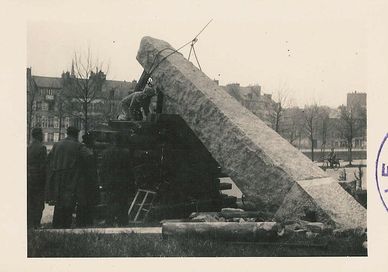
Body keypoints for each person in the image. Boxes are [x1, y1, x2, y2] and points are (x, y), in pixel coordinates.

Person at [46, 126, 89, 228]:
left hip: (58, 179)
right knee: (69, 203)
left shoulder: (57, 145)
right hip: (72, 178)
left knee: (59, 203)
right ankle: (65, 226)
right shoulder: (79, 146)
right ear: (76, 134)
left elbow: (49, 160)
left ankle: (56, 226)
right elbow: (89, 158)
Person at [100, 133, 134, 226]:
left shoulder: (105, 153)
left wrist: (102, 181)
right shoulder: (125, 153)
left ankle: (109, 221)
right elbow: (129, 170)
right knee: (123, 203)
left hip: (110, 182)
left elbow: (102, 169)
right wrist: (131, 182)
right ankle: (122, 222)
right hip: (122, 182)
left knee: (110, 202)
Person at [75, 132, 99, 227]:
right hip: (86, 180)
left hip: (83, 179)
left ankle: (82, 221)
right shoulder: (87, 152)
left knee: (84, 202)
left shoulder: (83, 150)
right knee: (86, 202)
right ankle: (85, 221)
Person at [27, 128, 47, 229]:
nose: (43, 136)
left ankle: (29, 224)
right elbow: (43, 166)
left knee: (30, 202)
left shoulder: (28, 147)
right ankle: (36, 224)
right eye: (42, 134)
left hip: (29, 179)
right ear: (39, 135)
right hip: (38, 180)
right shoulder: (42, 148)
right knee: (39, 204)